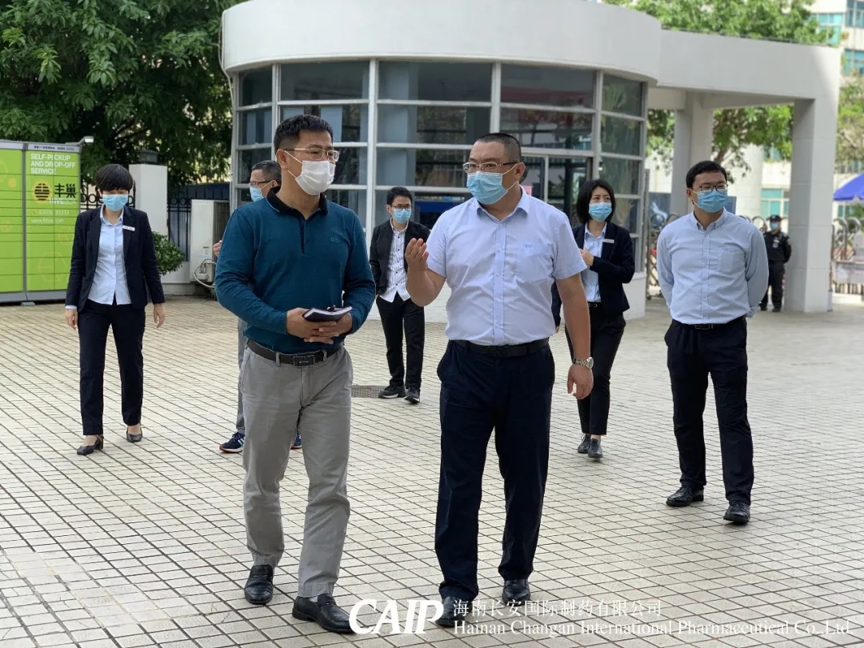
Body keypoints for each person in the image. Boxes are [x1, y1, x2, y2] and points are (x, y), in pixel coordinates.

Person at [404, 132, 594, 627]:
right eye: (472, 165)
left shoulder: (551, 223)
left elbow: (573, 294)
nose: (478, 174)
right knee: (459, 480)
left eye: (489, 165)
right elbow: (425, 295)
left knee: (526, 477)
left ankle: (516, 571)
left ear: (516, 170)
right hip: (466, 366)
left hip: (529, 367)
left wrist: (583, 360)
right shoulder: (451, 224)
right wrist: (415, 270)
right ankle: (457, 587)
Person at [215, 114, 375, 634]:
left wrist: (352, 318)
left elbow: (363, 283)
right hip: (268, 366)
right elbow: (229, 284)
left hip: (330, 371)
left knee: (330, 485)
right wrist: (280, 320)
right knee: (262, 478)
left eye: (331, 152)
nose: (327, 161)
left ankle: (315, 591)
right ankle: (264, 560)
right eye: (315, 152)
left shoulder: (345, 222)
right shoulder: (249, 221)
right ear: (284, 159)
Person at [657, 160, 768, 526]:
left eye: (720, 185)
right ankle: (691, 484)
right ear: (690, 193)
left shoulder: (746, 233)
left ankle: (739, 498)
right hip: (684, 334)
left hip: (727, 335)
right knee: (685, 415)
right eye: (706, 187)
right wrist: (683, 310)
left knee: (732, 417)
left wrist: (738, 311)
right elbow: (668, 280)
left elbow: (757, 280)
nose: (714, 192)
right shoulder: (671, 234)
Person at [64, 164, 166, 456]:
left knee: (131, 364)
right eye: (111, 191)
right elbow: (78, 263)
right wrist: (71, 304)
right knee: (90, 367)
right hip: (93, 304)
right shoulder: (86, 221)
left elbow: (149, 263)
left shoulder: (138, 220)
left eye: (122, 191)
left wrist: (158, 301)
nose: (117, 196)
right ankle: (92, 432)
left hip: (129, 304)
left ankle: (133, 421)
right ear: (100, 192)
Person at [214, 161, 302, 453]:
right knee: (248, 368)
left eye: (255, 183)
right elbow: (233, 276)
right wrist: (226, 253)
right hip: (252, 310)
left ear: (273, 185)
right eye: (250, 183)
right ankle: (244, 429)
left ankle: (294, 430)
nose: (251, 189)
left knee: (293, 368)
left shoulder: (294, 219)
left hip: (288, 312)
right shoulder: (246, 219)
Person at [551, 179, 634, 460]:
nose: (602, 203)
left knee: (599, 374)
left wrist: (594, 262)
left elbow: (626, 273)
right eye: (596, 198)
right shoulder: (572, 236)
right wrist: (554, 312)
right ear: (585, 203)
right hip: (579, 315)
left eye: (606, 198)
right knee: (581, 370)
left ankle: (597, 436)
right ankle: (586, 433)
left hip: (609, 316)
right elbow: (559, 277)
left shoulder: (620, 236)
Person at [369, 187, 430, 404]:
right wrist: (376, 288)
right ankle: (396, 383)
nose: (403, 210)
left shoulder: (421, 232)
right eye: (399, 206)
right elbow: (374, 261)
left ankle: (413, 387)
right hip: (387, 294)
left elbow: (431, 260)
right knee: (392, 342)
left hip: (412, 294)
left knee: (415, 342)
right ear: (389, 208)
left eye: (407, 206)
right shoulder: (379, 232)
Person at [760, 215, 792, 313]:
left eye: (775, 222)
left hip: (777, 264)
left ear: (779, 223)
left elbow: (788, 252)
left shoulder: (783, 237)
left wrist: (781, 261)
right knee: (763, 285)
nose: (773, 224)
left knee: (777, 285)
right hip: (765, 263)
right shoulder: (765, 235)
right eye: (772, 222)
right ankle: (763, 304)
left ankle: (777, 305)